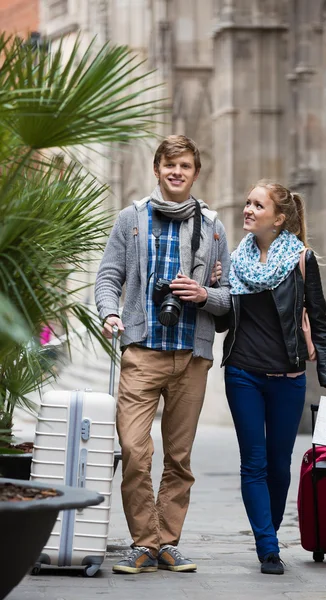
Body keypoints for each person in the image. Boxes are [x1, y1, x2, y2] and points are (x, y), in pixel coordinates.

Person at [95, 135, 231, 574]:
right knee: (134, 450)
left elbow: (229, 297)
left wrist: (203, 293)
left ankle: (167, 543)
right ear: (156, 169)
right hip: (142, 351)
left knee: (179, 457)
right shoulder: (130, 220)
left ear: (195, 173)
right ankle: (144, 541)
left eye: (185, 166)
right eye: (169, 164)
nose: (177, 172)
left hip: (192, 355)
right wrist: (110, 313)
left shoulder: (213, 227)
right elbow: (108, 277)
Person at [221, 180, 326, 575]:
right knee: (253, 463)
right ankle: (267, 546)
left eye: (258, 205)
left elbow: (320, 325)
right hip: (243, 373)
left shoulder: (300, 260)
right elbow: (225, 320)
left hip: (288, 377)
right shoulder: (235, 261)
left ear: (279, 217)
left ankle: (267, 530)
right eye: (247, 202)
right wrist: (215, 288)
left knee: (279, 465)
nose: (248, 209)